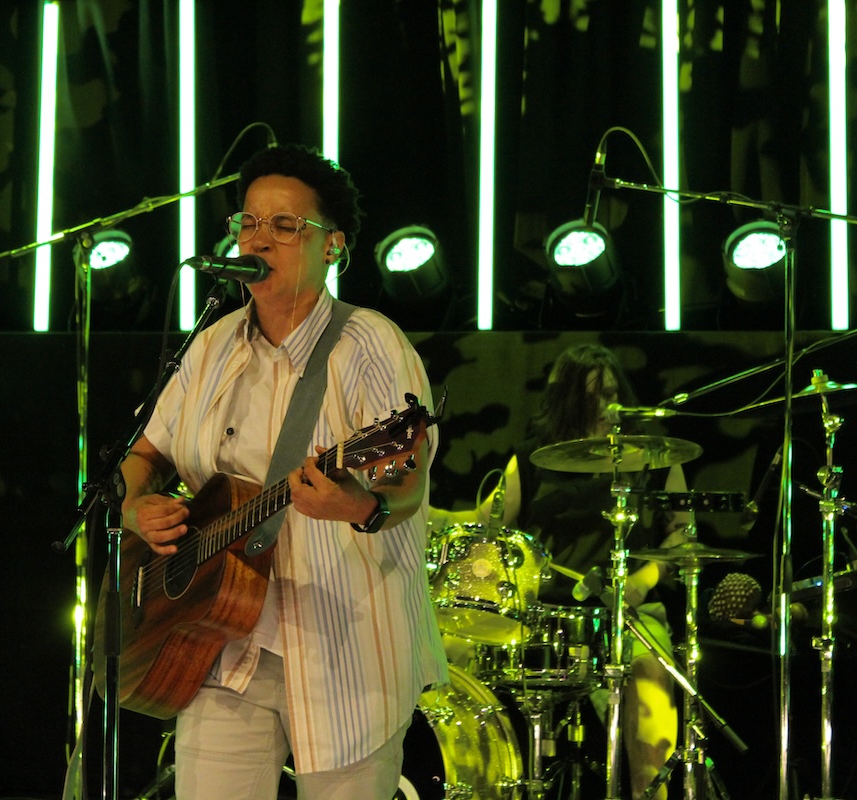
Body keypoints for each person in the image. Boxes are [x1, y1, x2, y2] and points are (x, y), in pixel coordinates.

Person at [118, 144, 447, 800]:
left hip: (344, 650)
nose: (259, 238)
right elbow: (141, 455)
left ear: (334, 247)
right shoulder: (208, 345)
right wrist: (133, 507)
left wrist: (359, 506)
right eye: (248, 223)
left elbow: (408, 476)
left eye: (285, 226)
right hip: (215, 643)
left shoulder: (371, 343)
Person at [430, 343, 687, 800]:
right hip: (543, 617)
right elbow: (483, 522)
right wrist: (415, 510)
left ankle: (653, 793)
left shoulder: (656, 455)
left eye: (611, 392)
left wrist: (641, 583)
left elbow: (680, 540)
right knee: (450, 647)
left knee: (651, 668)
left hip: (627, 614)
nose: (607, 404)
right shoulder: (534, 459)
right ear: (570, 400)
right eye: (593, 395)